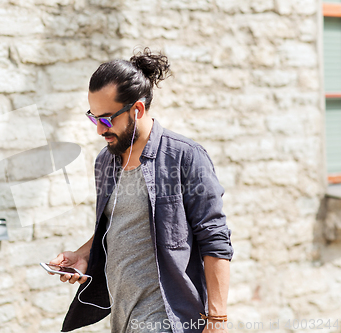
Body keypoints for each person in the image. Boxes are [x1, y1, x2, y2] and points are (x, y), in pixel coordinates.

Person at [48, 48, 234, 333]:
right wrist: (84, 254)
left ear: (137, 109)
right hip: (123, 320)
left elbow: (215, 238)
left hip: (170, 319)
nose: (99, 129)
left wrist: (217, 320)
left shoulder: (185, 157)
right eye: (93, 117)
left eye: (107, 119)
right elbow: (119, 224)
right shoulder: (106, 161)